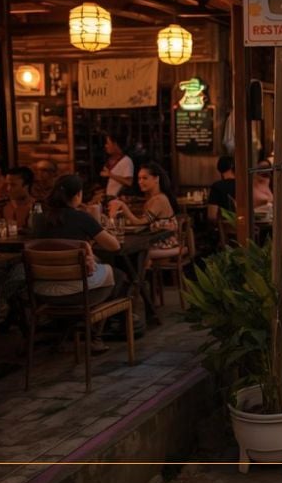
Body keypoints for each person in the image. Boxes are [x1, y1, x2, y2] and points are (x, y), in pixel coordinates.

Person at [34, 174, 130, 354]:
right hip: (76, 292)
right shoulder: (81, 218)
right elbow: (114, 246)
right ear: (78, 195)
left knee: (103, 273)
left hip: (43, 291)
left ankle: (70, 327)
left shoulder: (39, 219)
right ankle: (94, 335)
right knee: (118, 276)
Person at [108, 162, 180, 262]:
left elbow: (139, 222)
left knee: (130, 250)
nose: (140, 182)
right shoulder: (153, 198)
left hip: (164, 242)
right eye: (139, 178)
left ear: (156, 179)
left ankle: (136, 276)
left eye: (145, 178)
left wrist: (123, 206)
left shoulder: (159, 200)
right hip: (156, 239)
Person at [100, 132, 134, 198]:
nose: (106, 146)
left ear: (115, 144)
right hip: (109, 198)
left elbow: (129, 182)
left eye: (108, 143)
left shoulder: (126, 161)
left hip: (118, 199)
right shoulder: (110, 160)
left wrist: (110, 174)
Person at [207, 156, 236, 222]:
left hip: (224, 230)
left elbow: (212, 216)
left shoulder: (217, 186)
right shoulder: (243, 185)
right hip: (245, 229)